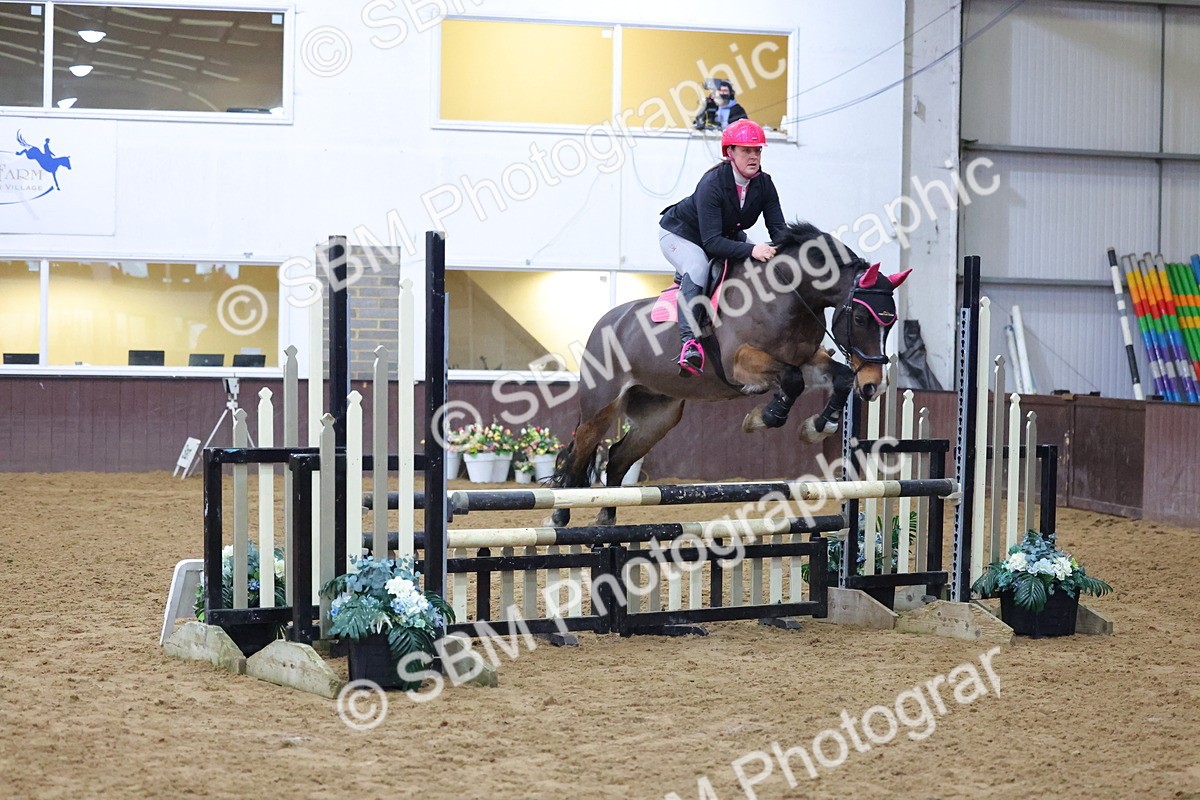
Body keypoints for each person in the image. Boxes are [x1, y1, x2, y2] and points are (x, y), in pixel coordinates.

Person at [659, 119, 787, 376]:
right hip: (681, 235)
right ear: (730, 152)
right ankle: (689, 343)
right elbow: (712, 243)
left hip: (724, 235)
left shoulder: (765, 184)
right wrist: (753, 250)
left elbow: (779, 232)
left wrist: (794, 251)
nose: (754, 157)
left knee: (762, 263)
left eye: (758, 151)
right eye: (746, 151)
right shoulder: (712, 183)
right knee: (697, 265)